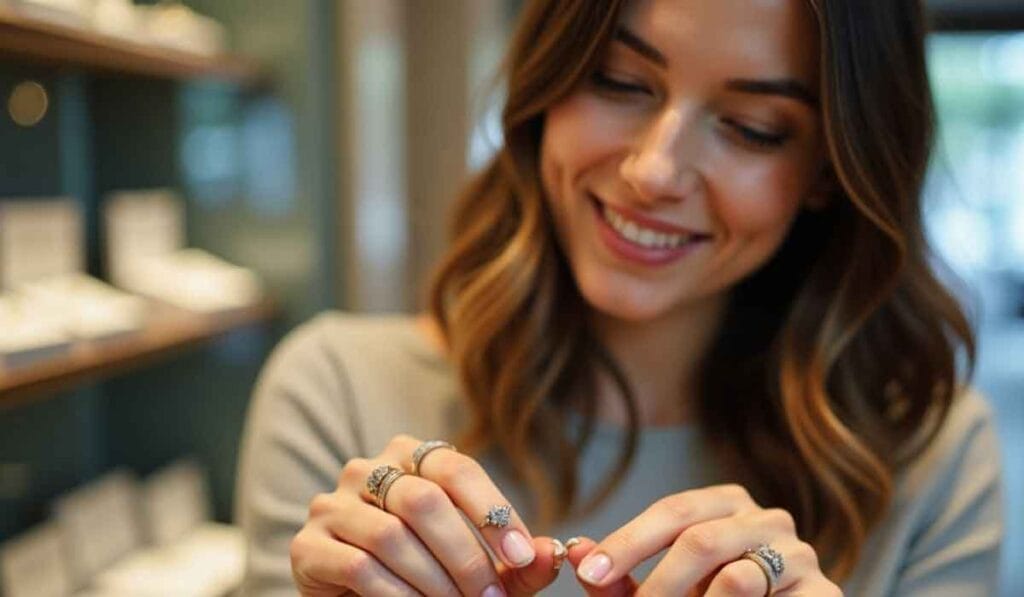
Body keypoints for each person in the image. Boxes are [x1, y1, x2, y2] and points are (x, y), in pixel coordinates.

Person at [235, 0, 1004, 594]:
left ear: (832, 169)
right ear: (549, 79)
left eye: (751, 127)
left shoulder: (930, 458)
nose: (654, 172)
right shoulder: (337, 390)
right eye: (619, 81)